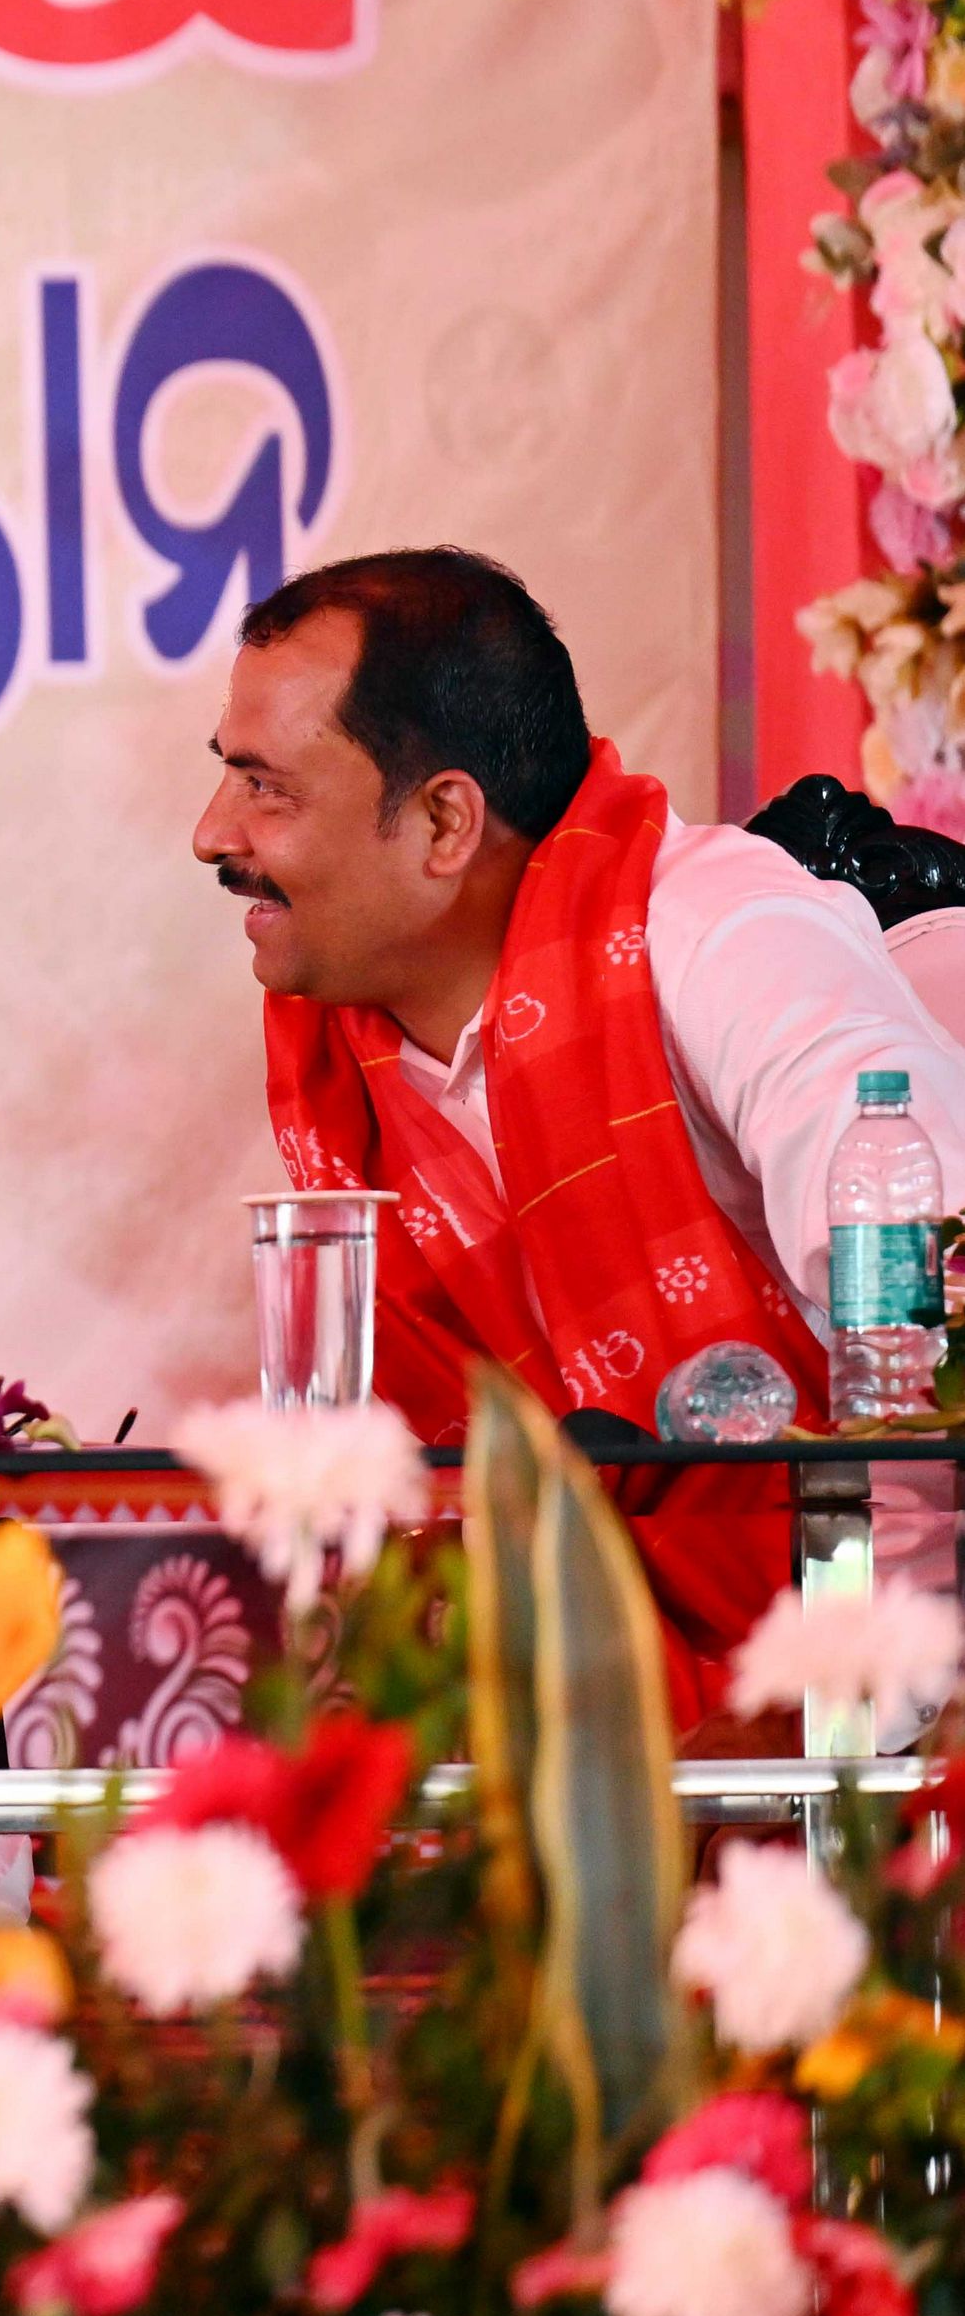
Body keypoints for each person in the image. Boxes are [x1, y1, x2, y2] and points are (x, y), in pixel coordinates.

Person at [200, 545, 965, 1720]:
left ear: (444, 820)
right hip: (582, 1724)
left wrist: (841, 1717)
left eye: (266, 789)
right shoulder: (339, 1067)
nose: (211, 834)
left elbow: (932, 1338)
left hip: (867, 1685)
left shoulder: (718, 936)